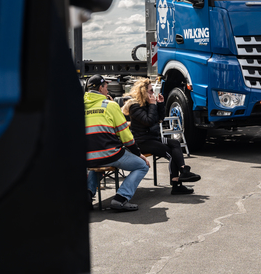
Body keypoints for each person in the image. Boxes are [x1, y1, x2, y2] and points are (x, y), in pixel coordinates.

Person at [123, 78, 201, 195]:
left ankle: (183, 170)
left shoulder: (148, 104)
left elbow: (160, 119)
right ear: (143, 92)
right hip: (142, 142)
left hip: (153, 138)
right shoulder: (135, 106)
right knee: (171, 153)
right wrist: (153, 105)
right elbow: (148, 121)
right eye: (150, 91)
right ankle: (176, 184)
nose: (153, 93)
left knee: (175, 143)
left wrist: (160, 104)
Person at [85, 74, 150, 211]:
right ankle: (121, 198)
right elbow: (126, 137)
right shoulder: (110, 105)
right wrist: (138, 154)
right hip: (110, 154)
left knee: (98, 161)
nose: (107, 91)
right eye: (106, 88)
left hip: (88, 158)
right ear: (101, 88)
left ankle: (87, 196)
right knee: (142, 166)